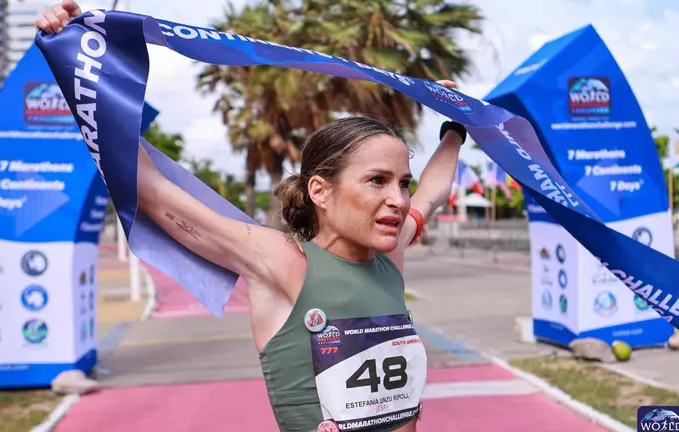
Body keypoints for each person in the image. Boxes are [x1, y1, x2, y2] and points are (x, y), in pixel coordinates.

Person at [37, 3, 468, 430]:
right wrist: (76, 67)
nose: (397, 198)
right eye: (377, 180)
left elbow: (431, 194)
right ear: (320, 190)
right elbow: (151, 189)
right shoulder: (283, 262)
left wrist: (455, 128)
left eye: (402, 183)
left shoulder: (389, 257)